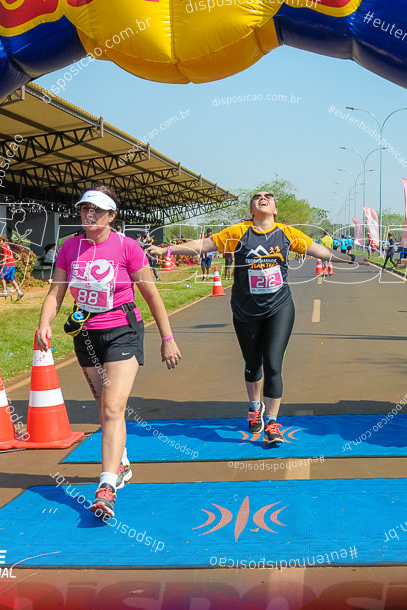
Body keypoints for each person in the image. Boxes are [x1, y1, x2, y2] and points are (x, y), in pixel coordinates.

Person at [150, 190, 354, 445]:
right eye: (257, 196)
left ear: (275, 209)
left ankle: (272, 422)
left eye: (269, 196)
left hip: (279, 306)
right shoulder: (237, 233)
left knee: (273, 364)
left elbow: (320, 251)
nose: (263, 197)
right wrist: (167, 250)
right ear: (252, 209)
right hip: (245, 309)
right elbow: (203, 245)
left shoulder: (287, 233)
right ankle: (254, 406)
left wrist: (353, 258)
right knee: (252, 364)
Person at [37, 186, 181, 519]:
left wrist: (167, 337)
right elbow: (55, 293)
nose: (89, 215)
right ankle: (121, 461)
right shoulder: (69, 248)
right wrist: (44, 322)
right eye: (85, 208)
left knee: (114, 407)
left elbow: (152, 295)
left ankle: (106, 486)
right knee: (104, 407)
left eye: (97, 210)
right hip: (86, 333)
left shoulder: (127, 247)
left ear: (112, 216)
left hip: (123, 331)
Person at [0, 235, 24, 301]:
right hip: (13, 264)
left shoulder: (4, 247)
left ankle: (4, 291)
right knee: (11, 279)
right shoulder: (7, 246)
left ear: (4, 241)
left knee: (1, 276)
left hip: (9, 264)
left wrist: (2, 268)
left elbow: (4, 258)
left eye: (0, 240)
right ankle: (19, 292)